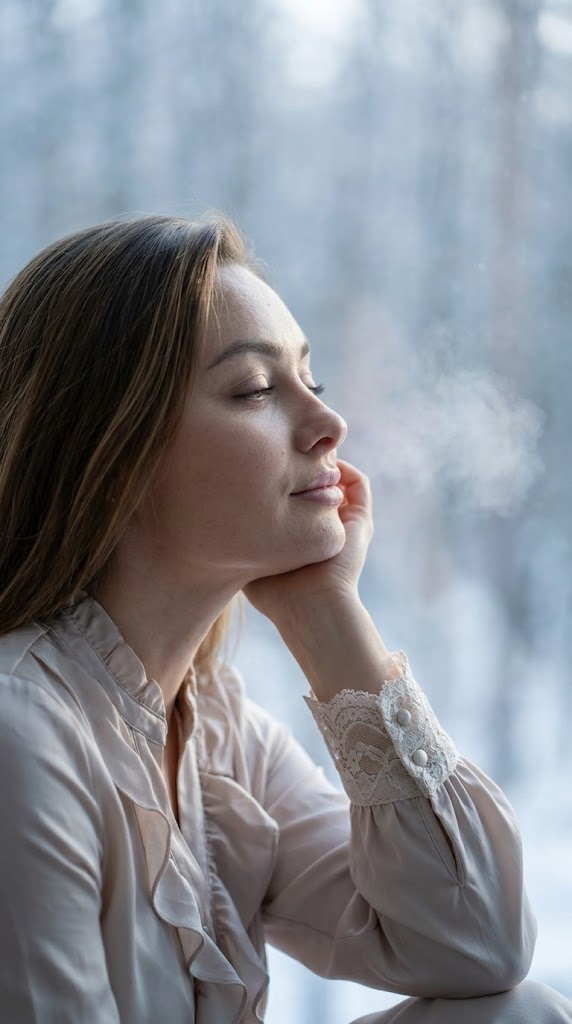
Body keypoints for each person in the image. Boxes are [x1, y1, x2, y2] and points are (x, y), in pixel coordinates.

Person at [0, 214, 569, 1024]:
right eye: (257, 390)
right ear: (112, 452)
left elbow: (478, 943)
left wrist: (326, 615)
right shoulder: (21, 731)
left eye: (313, 381)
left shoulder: (218, 731)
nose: (327, 426)